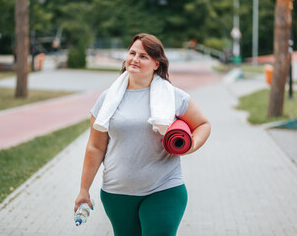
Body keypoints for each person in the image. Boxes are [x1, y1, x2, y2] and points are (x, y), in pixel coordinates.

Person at [74, 33, 211, 236]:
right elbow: (95, 147)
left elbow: (202, 124)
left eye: (143, 56)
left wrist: (191, 145)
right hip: (117, 193)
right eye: (132, 53)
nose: (135, 59)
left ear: (157, 64)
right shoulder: (107, 98)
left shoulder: (172, 95)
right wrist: (84, 190)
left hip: (164, 189)